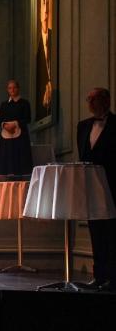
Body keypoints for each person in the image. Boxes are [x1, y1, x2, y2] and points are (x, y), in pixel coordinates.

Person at [77, 88, 115, 291]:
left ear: (106, 100)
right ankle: (99, 275)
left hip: (110, 185)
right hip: (91, 187)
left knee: (111, 232)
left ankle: (112, 276)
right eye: (88, 98)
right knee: (95, 231)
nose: (90, 102)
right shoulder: (83, 126)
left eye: (94, 98)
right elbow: (83, 156)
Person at [0, 79, 33, 176]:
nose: (12, 90)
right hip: (6, 137)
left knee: (20, 161)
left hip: (21, 137)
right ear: (7, 90)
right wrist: (4, 125)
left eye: (14, 87)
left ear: (18, 89)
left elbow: (28, 119)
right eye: (10, 88)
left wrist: (15, 124)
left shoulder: (25, 103)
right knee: (7, 162)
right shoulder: (4, 105)